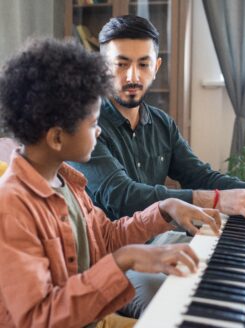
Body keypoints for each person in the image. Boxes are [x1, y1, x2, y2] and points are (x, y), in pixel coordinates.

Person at [0, 38, 221, 328]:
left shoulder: (67, 181)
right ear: (56, 137)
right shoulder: (12, 208)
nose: (100, 130)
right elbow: (39, 318)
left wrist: (164, 209)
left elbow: (105, 239)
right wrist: (124, 260)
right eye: (93, 124)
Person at [71, 14, 245, 222]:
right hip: (107, 255)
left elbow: (198, 176)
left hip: (156, 244)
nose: (133, 76)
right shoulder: (84, 126)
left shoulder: (162, 124)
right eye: (121, 64)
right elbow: (122, 197)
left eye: (143, 64)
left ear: (156, 67)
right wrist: (216, 200)